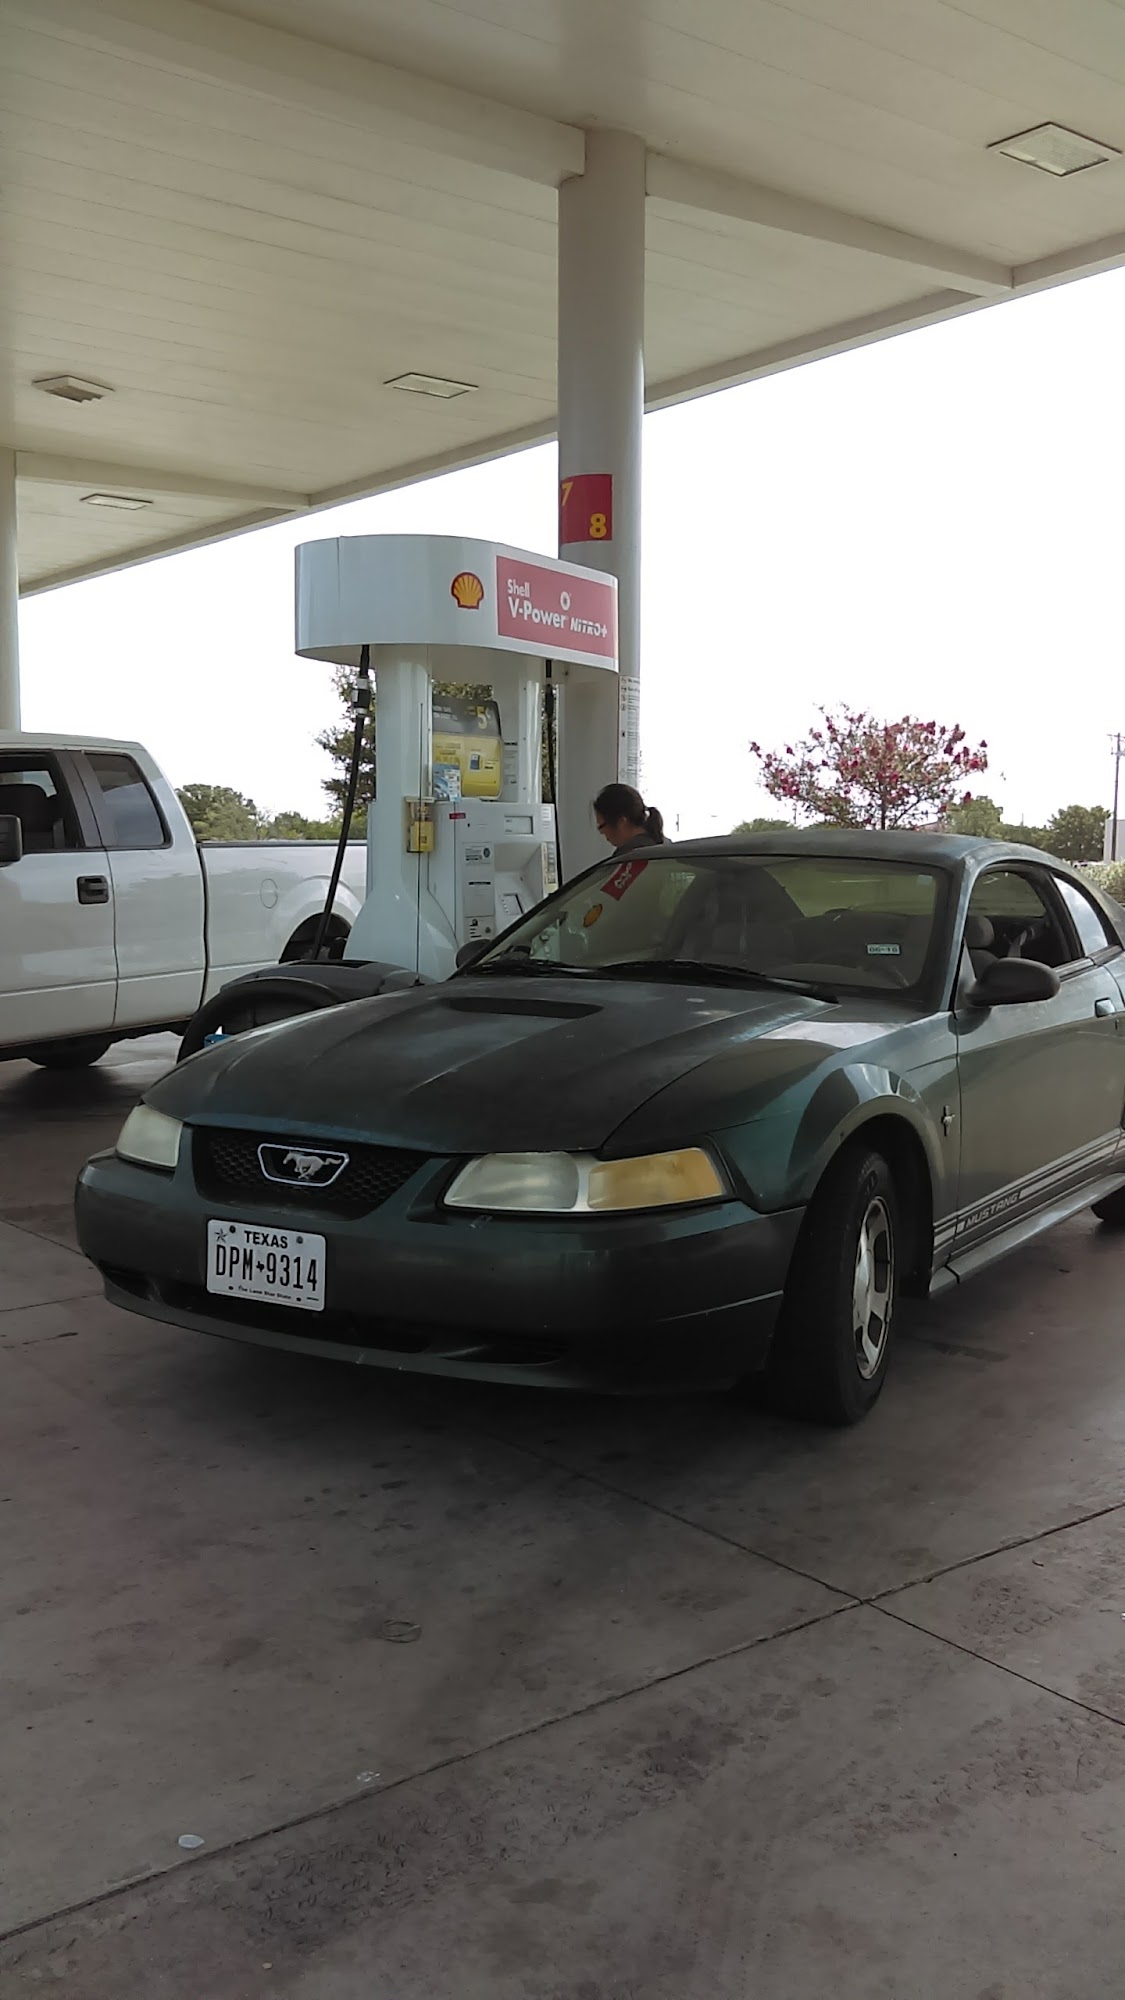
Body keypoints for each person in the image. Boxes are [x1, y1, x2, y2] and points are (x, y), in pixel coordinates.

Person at [593, 783, 667, 852]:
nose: (601, 832)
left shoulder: (628, 856)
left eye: (601, 825)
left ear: (622, 822)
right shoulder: (666, 847)